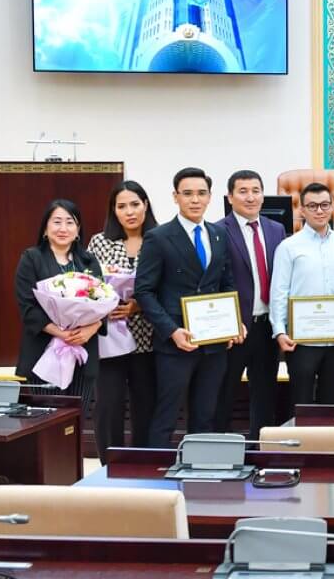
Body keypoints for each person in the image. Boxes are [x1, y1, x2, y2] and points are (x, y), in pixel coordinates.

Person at [137, 167, 241, 448]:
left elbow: (226, 282)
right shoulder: (158, 237)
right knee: (167, 414)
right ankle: (155, 479)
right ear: (175, 197)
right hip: (176, 342)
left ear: (210, 197)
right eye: (188, 194)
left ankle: (200, 473)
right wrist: (171, 331)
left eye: (201, 193)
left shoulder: (219, 234)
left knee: (206, 413)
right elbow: (144, 291)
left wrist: (235, 321)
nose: (195, 200)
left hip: (214, 342)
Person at [89, 181, 159, 461]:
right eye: (121, 206)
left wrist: (138, 305)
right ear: (113, 211)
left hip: (150, 337)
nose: (129, 211)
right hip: (110, 338)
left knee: (146, 404)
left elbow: (169, 285)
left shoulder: (162, 237)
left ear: (146, 205)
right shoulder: (99, 242)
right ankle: (110, 465)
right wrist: (105, 304)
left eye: (135, 204)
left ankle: (142, 462)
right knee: (108, 405)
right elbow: (88, 287)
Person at [271, 182, 334, 406]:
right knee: (300, 400)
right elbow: (279, 292)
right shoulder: (288, 247)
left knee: (332, 400)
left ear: (332, 208)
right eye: (312, 206)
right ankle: (299, 441)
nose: (319, 210)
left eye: (324, 205)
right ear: (302, 210)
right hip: (301, 341)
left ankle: (328, 442)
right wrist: (279, 331)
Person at [214, 170, 285, 440]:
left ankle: (260, 449)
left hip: (267, 326)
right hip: (236, 328)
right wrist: (228, 322)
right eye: (243, 191)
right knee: (225, 393)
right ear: (230, 197)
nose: (250, 196)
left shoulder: (276, 229)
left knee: (264, 394)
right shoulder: (218, 230)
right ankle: (220, 450)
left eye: (256, 190)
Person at [14, 200, 104, 395]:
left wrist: (90, 329)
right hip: (43, 355)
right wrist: (61, 333)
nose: (63, 228)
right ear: (45, 228)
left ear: (78, 229)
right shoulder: (31, 258)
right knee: (47, 420)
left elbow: (104, 304)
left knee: (77, 420)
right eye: (56, 222)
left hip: (83, 352)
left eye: (70, 222)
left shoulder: (89, 261)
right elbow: (28, 308)